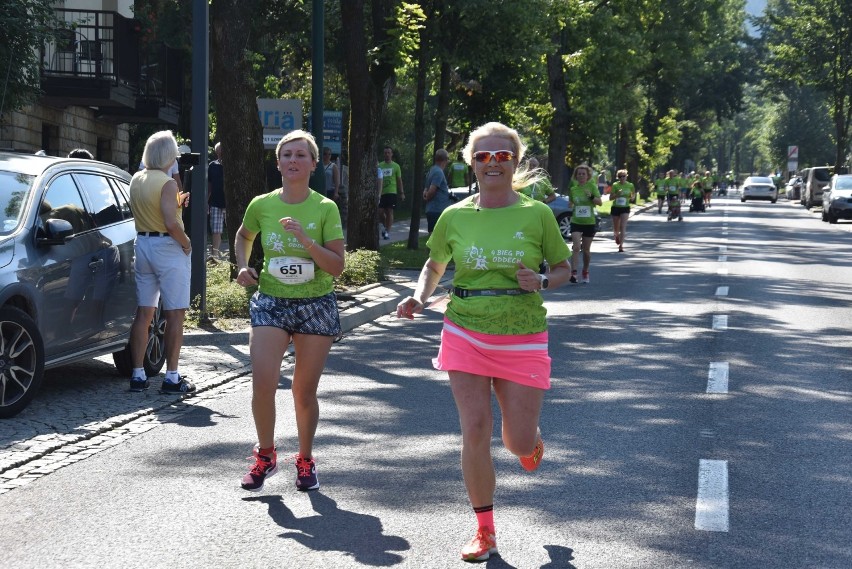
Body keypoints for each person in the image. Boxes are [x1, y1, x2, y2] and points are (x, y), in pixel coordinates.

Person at [396, 121, 572, 563]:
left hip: (522, 335)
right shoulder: (455, 215)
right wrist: (418, 297)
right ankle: (484, 530)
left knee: (516, 443)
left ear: (515, 161)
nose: (492, 163)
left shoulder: (537, 214)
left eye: (502, 156)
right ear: (469, 162)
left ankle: (529, 443)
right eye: (483, 156)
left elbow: (564, 270)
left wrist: (544, 280)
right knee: (474, 428)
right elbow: (434, 266)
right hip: (464, 329)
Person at [235, 129, 345, 493]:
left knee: (303, 391)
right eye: (287, 155)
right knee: (263, 380)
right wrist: (242, 264)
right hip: (271, 301)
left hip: (316, 304)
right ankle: (265, 456)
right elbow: (243, 236)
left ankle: (305, 458)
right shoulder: (262, 204)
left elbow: (336, 266)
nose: (293, 161)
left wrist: (304, 240)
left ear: (314, 164)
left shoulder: (325, 208)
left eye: (301, 155)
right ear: (278, 162)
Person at [128, 130, 195, 394]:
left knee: (144, 312)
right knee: (175, 312)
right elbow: (169, 222)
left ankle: (137, 374)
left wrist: (176, 202)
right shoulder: (167, 182)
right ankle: (172, 377)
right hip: (167, 246)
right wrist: (186, 242)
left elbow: (154, 208)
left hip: (143, 242)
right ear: (169, 156)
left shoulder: (137, 178)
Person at [567, 164, 602, 283]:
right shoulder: (573, 189)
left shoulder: (592, 187)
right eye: (579, 174)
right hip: (576, 221)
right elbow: (571, 202)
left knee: (586, 250)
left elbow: (600, 202)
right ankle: (574, 273)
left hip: (589, 222)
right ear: (576, 176)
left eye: (583, 174)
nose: (581, 176)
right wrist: (571, 204)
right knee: (576, 247)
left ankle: (585, 271)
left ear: (588, 176)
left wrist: (591, 196)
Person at [378, 145, 404, 239]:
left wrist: (401, 192)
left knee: (389, 211)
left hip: (391, 192)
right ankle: (385, 226)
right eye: (385, 153)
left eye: (389, 153)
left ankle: (387, 232)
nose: (387, 154)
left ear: (392, 154)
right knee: (380, 212)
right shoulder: (380, 166)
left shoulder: (396, 166)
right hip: (381, 192)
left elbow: (399, 180)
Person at [423, 148, 452, 233]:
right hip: (437, 210)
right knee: (436, 237)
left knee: (433, 237)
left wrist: (425, 195)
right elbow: (432, 190)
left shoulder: (431, 170)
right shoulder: (438, 172)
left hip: (431, 209)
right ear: (445, 160)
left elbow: (425, 189)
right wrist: (427, 197)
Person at [207, 142, 226, 258]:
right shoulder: (212, 166)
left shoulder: (234, 165)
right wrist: (206, 202)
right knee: (216, 230)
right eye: (218, 153)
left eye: (222, 153)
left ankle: (235, 254)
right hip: (215, 202)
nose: (220, 155)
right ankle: (215, 255)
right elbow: (209, 185)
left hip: (230, 203)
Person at [610, 169, 634, 252]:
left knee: (623, 226)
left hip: (625, 207)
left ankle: (621, 246)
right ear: (618, 177)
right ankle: (616, 235)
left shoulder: (630, 185)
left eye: (624, 176)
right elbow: (610, 198)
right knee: (616, 228)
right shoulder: (615, 185)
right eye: (620, 176)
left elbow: (632, 196)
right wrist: (617, 194)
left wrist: (632, 197)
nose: (622, 178)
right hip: (616, 207)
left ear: (626, 176)